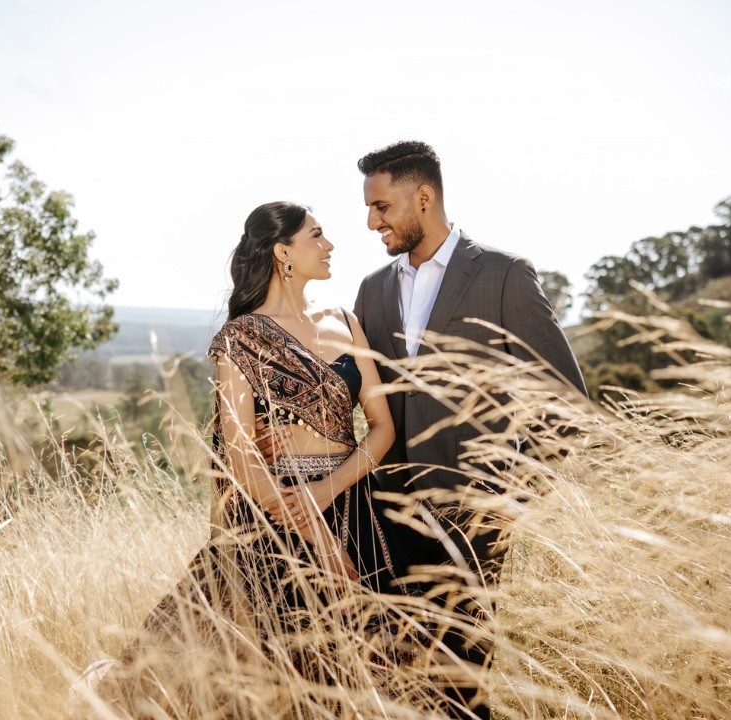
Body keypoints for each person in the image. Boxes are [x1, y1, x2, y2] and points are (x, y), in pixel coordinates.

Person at [83, 201, 408, 714]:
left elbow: (382, 426)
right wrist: (315, 532)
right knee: (278, 672)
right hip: (277, 518)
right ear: (283, 252)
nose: (329, 245)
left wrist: (327, 491)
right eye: (317, 235)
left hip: (354, 504)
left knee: (378, 663)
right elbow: (241, 458)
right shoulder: (240, 339)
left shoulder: (345, 322)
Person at [351, 140, 588, 719]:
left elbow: (564, 401)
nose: (371, 222)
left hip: (472, 522)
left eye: (381, 207)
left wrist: (510, 500)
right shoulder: (371, 289)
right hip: (385, 521)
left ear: (423, 197)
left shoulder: (503, 276)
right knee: (396, 682)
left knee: (462, 687)